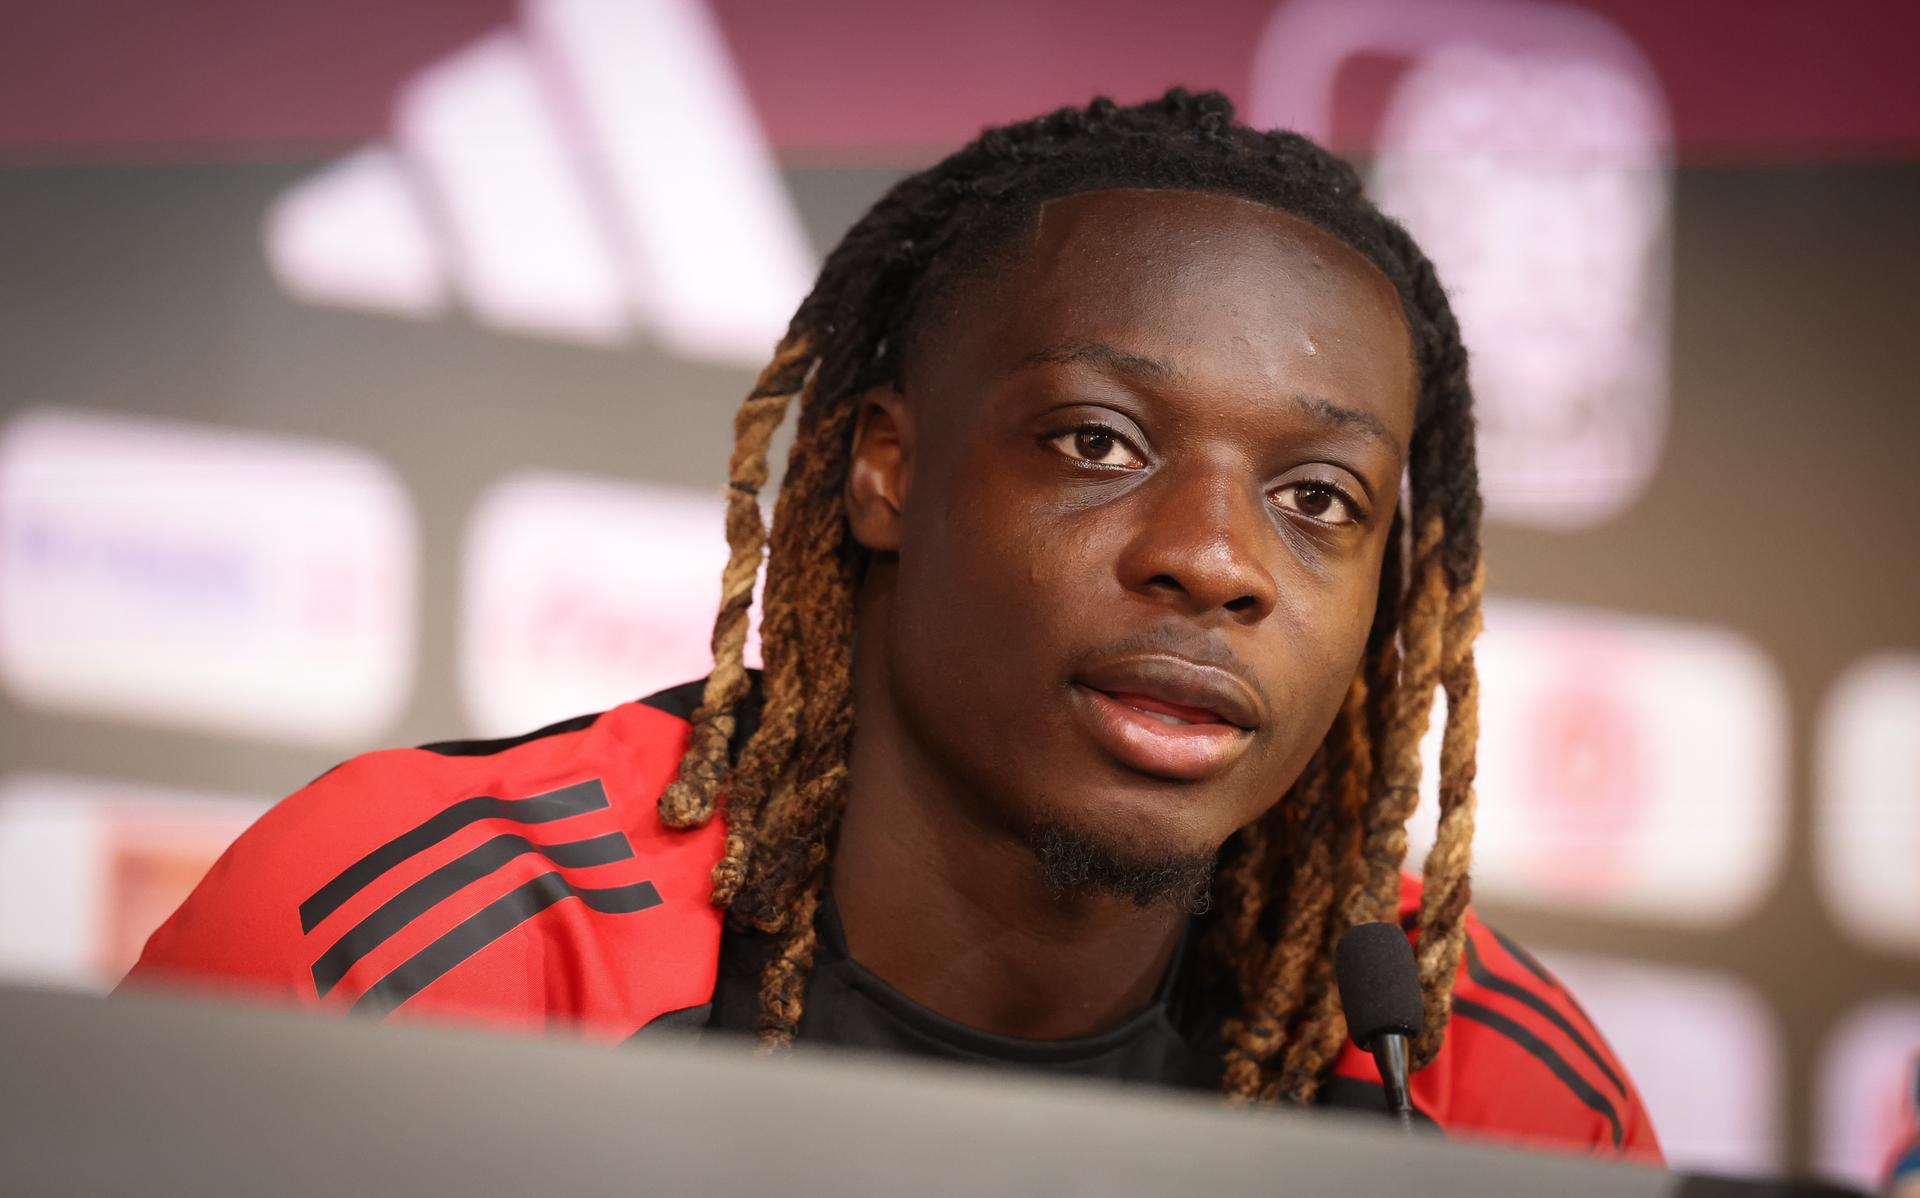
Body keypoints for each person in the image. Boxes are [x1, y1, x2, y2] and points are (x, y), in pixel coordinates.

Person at [122, 90, 1660, 1162]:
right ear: (884, 468)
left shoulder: (1488, 1082)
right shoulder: (427, 958)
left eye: (1320, 494)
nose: (1213, 559)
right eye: (1098, 442)